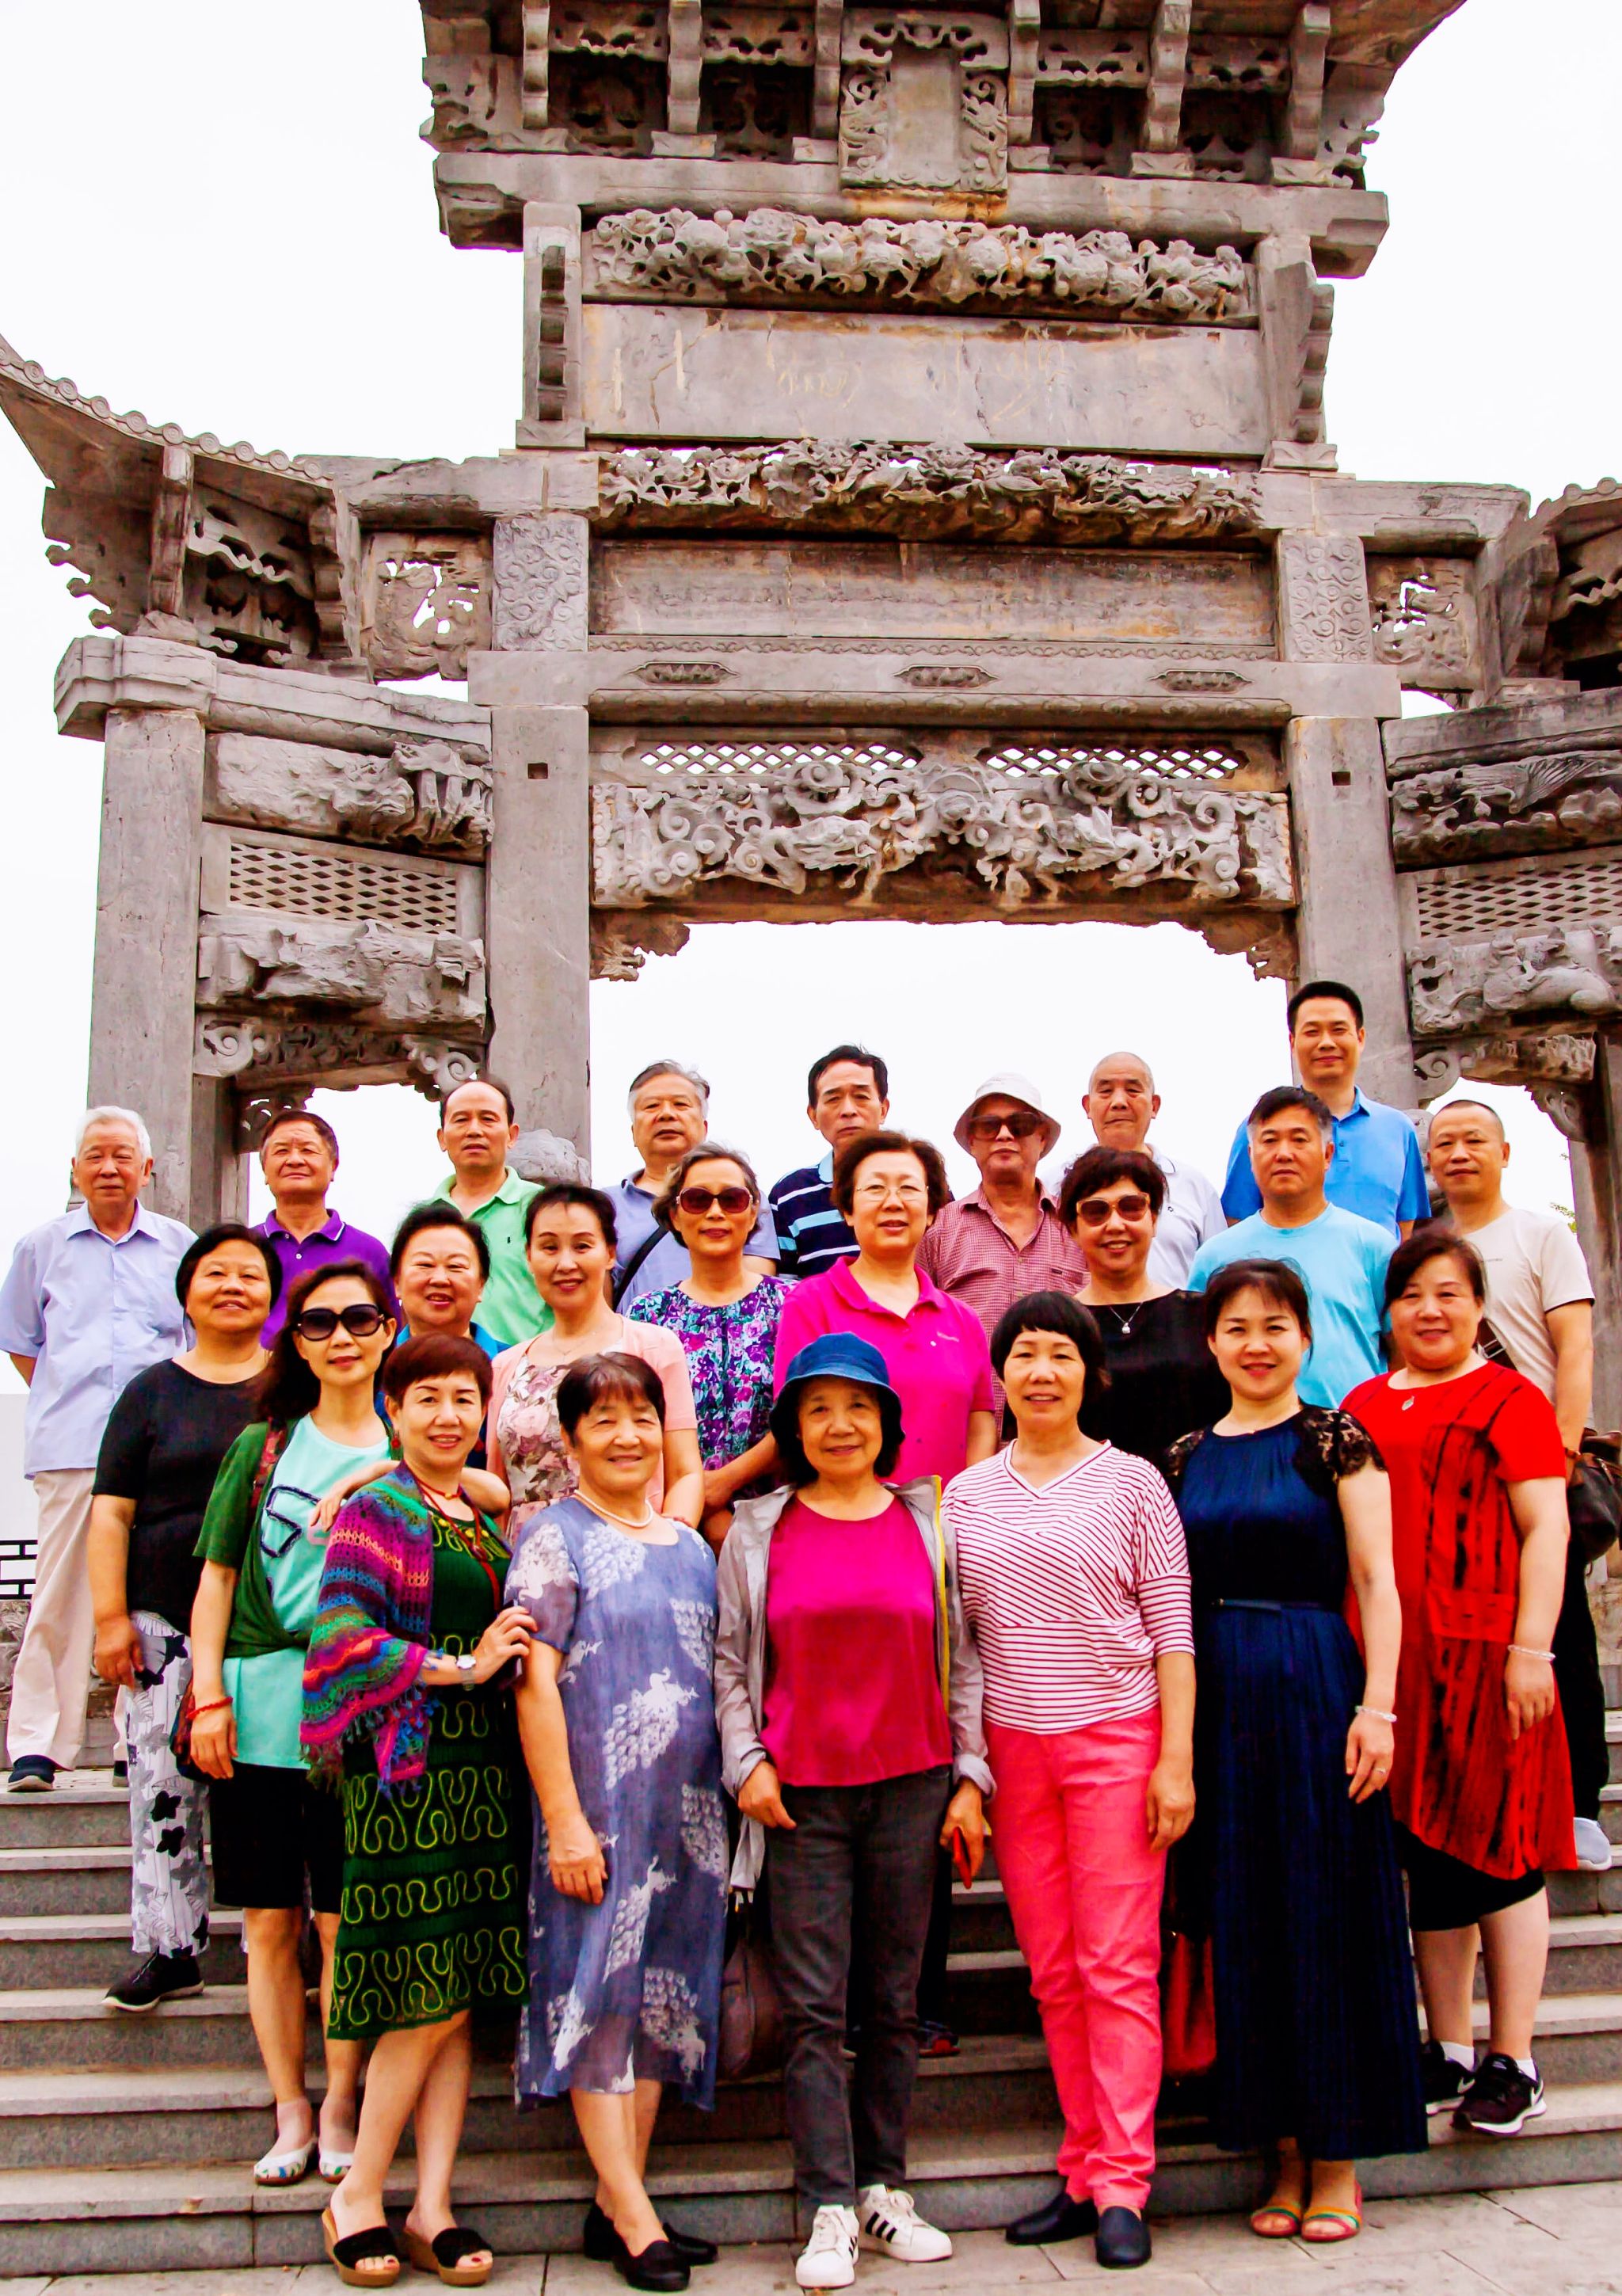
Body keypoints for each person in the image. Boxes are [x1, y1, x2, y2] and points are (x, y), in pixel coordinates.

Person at [714, 1335, 991, 2293]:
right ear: (792, 1428)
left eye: (859, 1407)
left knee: (893, 2002)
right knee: (812, 2008)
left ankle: (883, 2186)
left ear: (886, 1424)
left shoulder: (929, 1520)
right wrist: (746, 1763)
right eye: (818, 1409)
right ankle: (828, 2202)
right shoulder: (757, 1530)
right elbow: (728, 1662)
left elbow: (962, 1656)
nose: (840, 1425)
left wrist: (970, 1776)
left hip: (911, 1785)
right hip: (799, 1799)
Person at [1163, 1261, 1425, 2245]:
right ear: (1211, 1342)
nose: (1256, 1344)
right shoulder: (1184, 1455)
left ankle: (1337, 2156)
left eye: (1274, 1325)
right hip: (1218, 1694)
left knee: (1326, 1910)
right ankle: (1277, 2150)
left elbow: (1377, 1579)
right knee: (1246, 1916)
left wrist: (1377, 1707)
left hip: (1316, 1680)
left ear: (1305, 1337)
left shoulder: (1334, 1438)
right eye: (1236, 1327)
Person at [945, 1293, 1194, 2274]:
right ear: (1000, 1375)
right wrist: (970, 1772)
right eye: (1023, 1355)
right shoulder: (965, 1496)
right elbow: (962, 1649)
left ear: (1091, 1373)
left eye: (1059, 1354)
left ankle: (1124, 2180)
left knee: (1116, 1965)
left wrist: (1174, 1760)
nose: (1040, 1372)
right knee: (1052, 1969)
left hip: (1116, 1742)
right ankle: (1083, 2167)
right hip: (1015, 1752)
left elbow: (1172, 1631)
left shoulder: (1134, 1482)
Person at [303, 1334, 532, 2290]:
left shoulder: (478, 1512)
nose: (448, 1415)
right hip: (409, 1776)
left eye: (464, 1399)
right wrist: (461, 1666)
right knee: (422, 1991)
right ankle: (358, 2191)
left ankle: (431, 2202)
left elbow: (493, 1493)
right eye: (426, 1398)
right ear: (392, 1410)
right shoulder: (378, 1511)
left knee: (460, 1992)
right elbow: (341, 1640)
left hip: (486, 1776)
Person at [1346, 1232, 1574, 2140]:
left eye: (1447, 1292)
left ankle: (1512, 2058)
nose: (1429, 1309)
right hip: (1393, 1666)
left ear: (1477, 1305)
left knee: (1498, 1847)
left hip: (1485, 1657)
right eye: (1410, 1294)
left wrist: (1531, 1647)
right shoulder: (1362, 1403)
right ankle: (1445, 2047)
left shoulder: (1507, 1397)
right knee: (1429, 1854)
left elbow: (1545, 1526)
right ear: (1388, 1311)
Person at [508, 1354, 727, 2294]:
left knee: (659, 1998)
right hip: (596, 1812)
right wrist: (563, 1819)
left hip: (689, 1815)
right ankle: (636, 2218)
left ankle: (617, 2199)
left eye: (641, 1416)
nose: (627, 1435)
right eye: (602, 1420)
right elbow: (533, 1686)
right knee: (596, 1993)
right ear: (569, 1439)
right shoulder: (552, 1538)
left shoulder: (690, 1545)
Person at [189, 1262, 396, 2186]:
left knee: (344, 1918)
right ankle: (290, 2107)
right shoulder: (264, 1447)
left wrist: (382, 1472)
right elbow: (217, 1580)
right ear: (297, 1343)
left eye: (358, 1317)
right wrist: (207, 1696)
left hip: (362, 1715)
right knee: (270, 1920)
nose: (340, 1336)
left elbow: (484, 1493)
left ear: (387, 1330)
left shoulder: (409, 1435)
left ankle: (344, 2096)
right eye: (318, 1323)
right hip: (261, 1706)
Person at [88, 1224, 279, 2012]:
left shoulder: (294, 1386)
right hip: (163, 1621)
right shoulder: (150, 1391)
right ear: (187, 1294)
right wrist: (110, 1618)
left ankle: (284, 1940)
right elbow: (110, 1511)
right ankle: (170, 1947)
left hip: (269, 1629)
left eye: (250, 1274)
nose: (233, 1286)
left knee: (272, 1788)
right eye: (215, 1273)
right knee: (162, 1789)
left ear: (272, 1295)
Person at [1426, 1098, 1609, 1871]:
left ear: (1504, 1151)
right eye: (1443, 1143)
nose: (1458, 1153)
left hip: (1536, 1462)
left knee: (1560, 1627)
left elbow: (1573, 1347)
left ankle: (1579, 1803)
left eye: (1474, 1139)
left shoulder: (1539, 1234)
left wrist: (1561, 1448)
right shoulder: (1424, 1247)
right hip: (1456, 1471)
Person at [0, 1106, 193, 1790]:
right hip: (72, 1444)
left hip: (158, 1451)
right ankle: (37, 1744)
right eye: (95, 1156)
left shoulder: (178, 1247)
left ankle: (130, 1738)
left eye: (122, 1156)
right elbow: (25, 1345)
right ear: (75, 1169)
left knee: (149, 1596)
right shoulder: (41, 1247)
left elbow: (190, 1342)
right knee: (59, 1592)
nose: (109, 1168)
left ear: (147, 1168)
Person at [489, 1187, 705, 1529]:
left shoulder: (654, 1347)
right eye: (549, 1247)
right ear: (529, 1257)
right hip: (526, 1554)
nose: (566, 1264)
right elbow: (497, 1491)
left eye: (582, 1246)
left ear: (609, 1253)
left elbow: (685, 1473)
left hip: (632, 1547)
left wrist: (672, 1543)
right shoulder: (505, 1367)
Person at [627, 1144, 790, 1546]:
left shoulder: (790, 1304)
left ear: (752, 1213)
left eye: (732, 1199)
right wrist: (697, 1497)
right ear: (675, 1215)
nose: (715, 1212)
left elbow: (801, 1413)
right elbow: (637, 1417)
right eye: (697, 1200)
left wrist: (723, 1483)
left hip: (778, 1521)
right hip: (672, 1521)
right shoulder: (648, 1313)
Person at [1189, 1090, 1392, 1409]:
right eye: (1270, 1141)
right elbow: (1199, 1360)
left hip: (1359, 1429)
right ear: (1251, 1156)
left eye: (1299, 1140)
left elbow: (1402, 1350)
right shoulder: (1214, 1257)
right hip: (1251, 1432)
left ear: (1327, 1155)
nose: (1284, 1154)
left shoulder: (1374, 1245)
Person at [1058, 1147, 1227, 1471]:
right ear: (1073, 1229)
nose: (1115, 1224)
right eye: (1095, 1211)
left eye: (1131, 1207)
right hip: (1090, 1499)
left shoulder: (1203, 1316)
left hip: (1196, 1494)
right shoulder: (1057, 1328)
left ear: (1154, 1218)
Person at [1221, 981, 1429, 1239]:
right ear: (1293, 1042)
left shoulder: (1398, 1129)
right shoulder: (1260, 1128)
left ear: (1360, 1038)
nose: (1326, 1043)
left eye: (1338, 1030)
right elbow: (1238, 1223)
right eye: (1312, 1032)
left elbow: (1406, 1226)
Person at [917, 1075, 1088, 1346]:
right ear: (972, 1142)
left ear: (1042, 1138)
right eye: (989, 1126)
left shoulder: (1078, 1226)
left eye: (1020, 1125)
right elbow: (918, 1328)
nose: (1004, 1135)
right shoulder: (938, 1231)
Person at [606, 1062, 777, 1310]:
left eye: (680, 1104)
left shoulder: (740, 1198)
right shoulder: (605, 1205)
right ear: (633, 1132)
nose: (666, 1114)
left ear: (704, 1127)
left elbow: (758, 1299)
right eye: (652, 1106)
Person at [1080, 1052, 1225, 1286]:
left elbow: (1222, 1276)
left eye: (1133, 1090)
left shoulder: (1194, 1187)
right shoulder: (1057, 1185)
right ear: (1087, 1106)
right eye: (1106, 1091)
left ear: (1154, 1105)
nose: (1119, 1102)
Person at [254, 1108, 394, 1342]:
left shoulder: (369, 1251)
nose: (295, 1160)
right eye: (282, 1151)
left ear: (333, 1167)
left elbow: (389, 1333)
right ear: (265, 1170)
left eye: (308, 1150)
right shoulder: (244, 1248)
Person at [428, 1076, 548, 1346]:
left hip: (529, 1368)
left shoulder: (543, 1208)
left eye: (488, 1119)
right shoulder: (424, 1220)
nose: (474, 1130)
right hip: (443, 1368)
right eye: (461, 1120)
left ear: (512, 1135)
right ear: (442, 1138)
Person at [769, 1046, 891, 1281]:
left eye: (861, 1097)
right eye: (833, 1099)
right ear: (813, 1115)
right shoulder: (789, 1195)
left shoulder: (921, 1184)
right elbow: (783, 1290)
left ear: (883, 1109)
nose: (848, 1111)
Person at [390, 1206, 501, 1356]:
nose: (439, 1279)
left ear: (481, 1285)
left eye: (455, 1266)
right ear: (397, 1283)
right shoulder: (375, 1364)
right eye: (425, 1264)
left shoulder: (515, 1365)